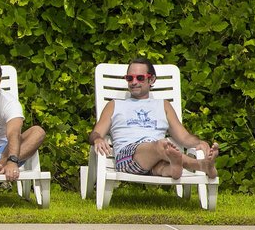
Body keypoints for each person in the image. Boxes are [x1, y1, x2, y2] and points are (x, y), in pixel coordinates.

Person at [88, 57, 219, 179]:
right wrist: (98, 139)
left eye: (140, 78)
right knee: (162, 146)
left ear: (152, 80)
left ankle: (174, 169)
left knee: (163, 164)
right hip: (128, 157)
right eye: (129, 78)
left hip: (158, 157)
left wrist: (199, 142)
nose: (134, 82)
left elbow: (183, 137)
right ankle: (200, 165)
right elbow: (96, 133)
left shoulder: (164, 105)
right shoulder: (114, 105)